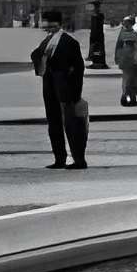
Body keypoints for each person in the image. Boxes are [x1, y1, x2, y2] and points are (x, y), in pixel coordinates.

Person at [31, 12, 89, 169]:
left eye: (46, 22)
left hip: (66, 89)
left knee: (71, 124)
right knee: (54, 123)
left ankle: (79, 159)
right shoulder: (47, 40)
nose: (44, 25)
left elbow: (78, 68)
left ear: (55, 23)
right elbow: (37, 56)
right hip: (50, 87)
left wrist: (76, 92)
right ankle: (59, 158)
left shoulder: (69, 42)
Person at [109, 15, 137, 108]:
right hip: (126, 59)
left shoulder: (134, 34)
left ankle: (132, 97)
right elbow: (118, 47)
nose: (127, 25)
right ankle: (127, 97)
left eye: (128, 24)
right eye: (126, 24)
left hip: (133, 59)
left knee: (136, 78)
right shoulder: (123, 34)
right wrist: (117, 57)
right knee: (128, 79)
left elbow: (136, 47)